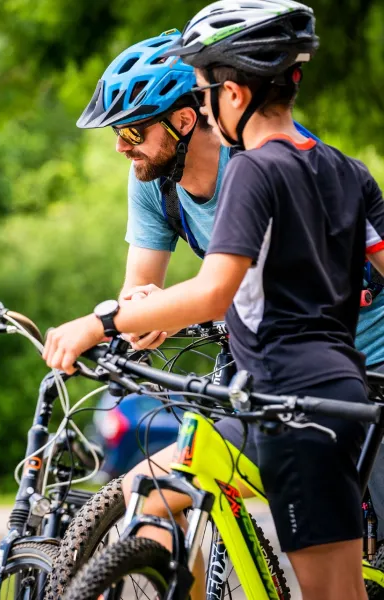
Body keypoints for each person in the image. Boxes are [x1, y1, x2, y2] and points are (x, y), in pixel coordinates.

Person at [44, 2, 384, 599]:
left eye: (206, 93)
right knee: (162, 486)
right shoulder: (342, 168)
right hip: (326, 381)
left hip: (299, 387)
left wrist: (103, 321)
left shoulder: (252, 169)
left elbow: (213, 292)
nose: (122, 147)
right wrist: (142, 309)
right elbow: (180, 291)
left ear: (226, 97)